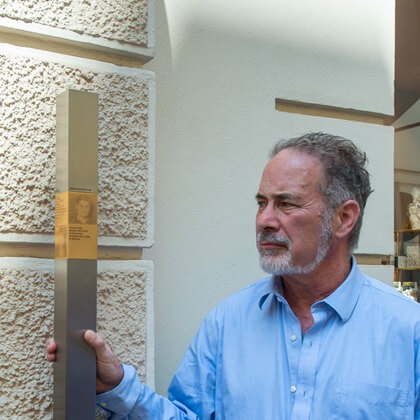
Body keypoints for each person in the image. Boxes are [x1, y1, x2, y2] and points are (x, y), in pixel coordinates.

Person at [48, 132, 420, 418]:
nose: (265, 220)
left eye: (285, 203)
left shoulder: (408, 331)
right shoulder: (227, 323)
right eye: (262, 203)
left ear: (344, 218)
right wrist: (118, 387)